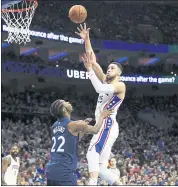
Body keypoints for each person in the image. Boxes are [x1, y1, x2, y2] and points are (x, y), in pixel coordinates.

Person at [76, 23, 126, 185]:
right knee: (102, 168)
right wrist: (87, 39)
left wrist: (90, 70)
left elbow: (99, 89)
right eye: (108, 67)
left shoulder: (120, 85)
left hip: (107, 124)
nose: (108, 69)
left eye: (112, 68)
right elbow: (92, 58)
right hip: (105, 124)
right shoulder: (106, 78)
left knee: (92, 152)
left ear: (118, 73)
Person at [46, 99, 113, 186]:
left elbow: (72, 140)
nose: (68, 102)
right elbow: (95, 130)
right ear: (63, 109)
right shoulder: (74, 124)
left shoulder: (54, 126)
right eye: (65, 102)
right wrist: (102, 116)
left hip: (51, 171)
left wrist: (82, 129)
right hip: (65, 172)